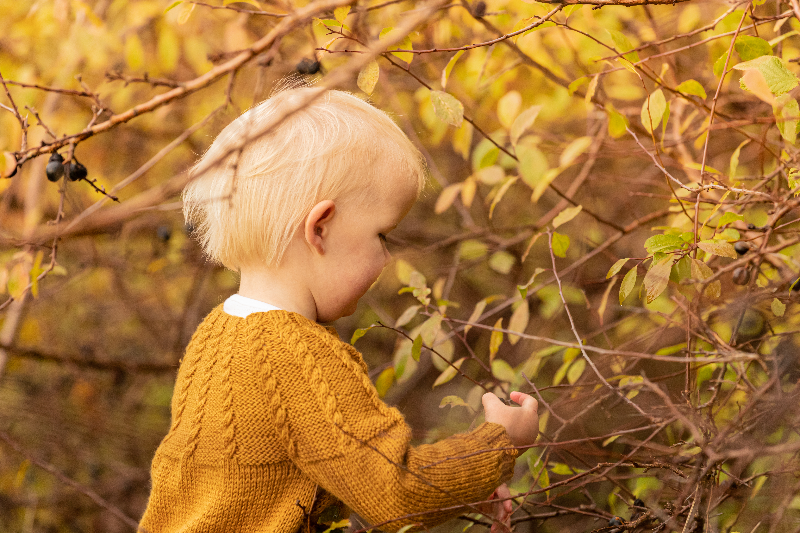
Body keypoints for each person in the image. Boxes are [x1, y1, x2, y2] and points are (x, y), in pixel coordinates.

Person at [139, 87, 539, 533]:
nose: (387, 259)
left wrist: (465, 484)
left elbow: (338, 476)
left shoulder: (218, 334)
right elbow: (396, 491)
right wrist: (499, 444)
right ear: (321, 228)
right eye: (382, 236)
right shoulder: (298, 355)